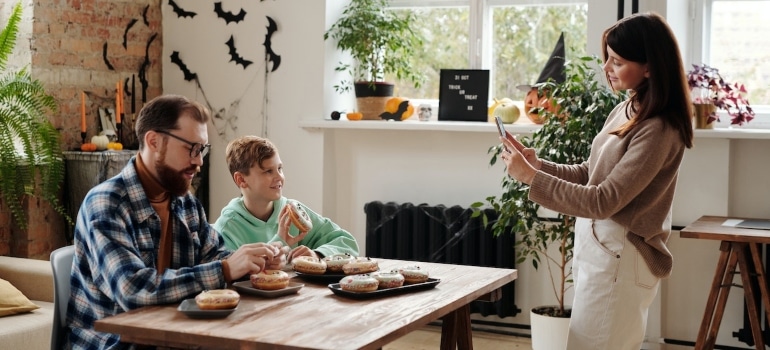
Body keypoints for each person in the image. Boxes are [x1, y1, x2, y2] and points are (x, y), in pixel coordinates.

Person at [498, 12, 693, 350]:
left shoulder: (658, 128)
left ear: (649, 66)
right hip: (603, 250)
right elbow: (592, 173)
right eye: (607, 59)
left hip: (622, 254)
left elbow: (603, 200)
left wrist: (532, 179)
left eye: (616, 61)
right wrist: (539, 166)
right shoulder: (628, 109)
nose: (606, 68)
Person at [67, 95, 287, 349]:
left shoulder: (185, 202)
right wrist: (225, 269)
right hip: (117, 344)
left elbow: (214, 255)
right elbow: (133, 290)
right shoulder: (107, 204)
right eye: (191, 149)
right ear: (154, 141)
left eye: (202, 150)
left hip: (177, 335)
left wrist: (254, 263)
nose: (199, 161)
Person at [213, 135, 359, 261]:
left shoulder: (293, 213)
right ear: (241, 180)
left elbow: (347, 243)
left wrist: (317, 254)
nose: (279, 177)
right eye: (268, 171)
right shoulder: (227, 228)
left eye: (280, 169)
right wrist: (280, 241)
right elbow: (234, 274)